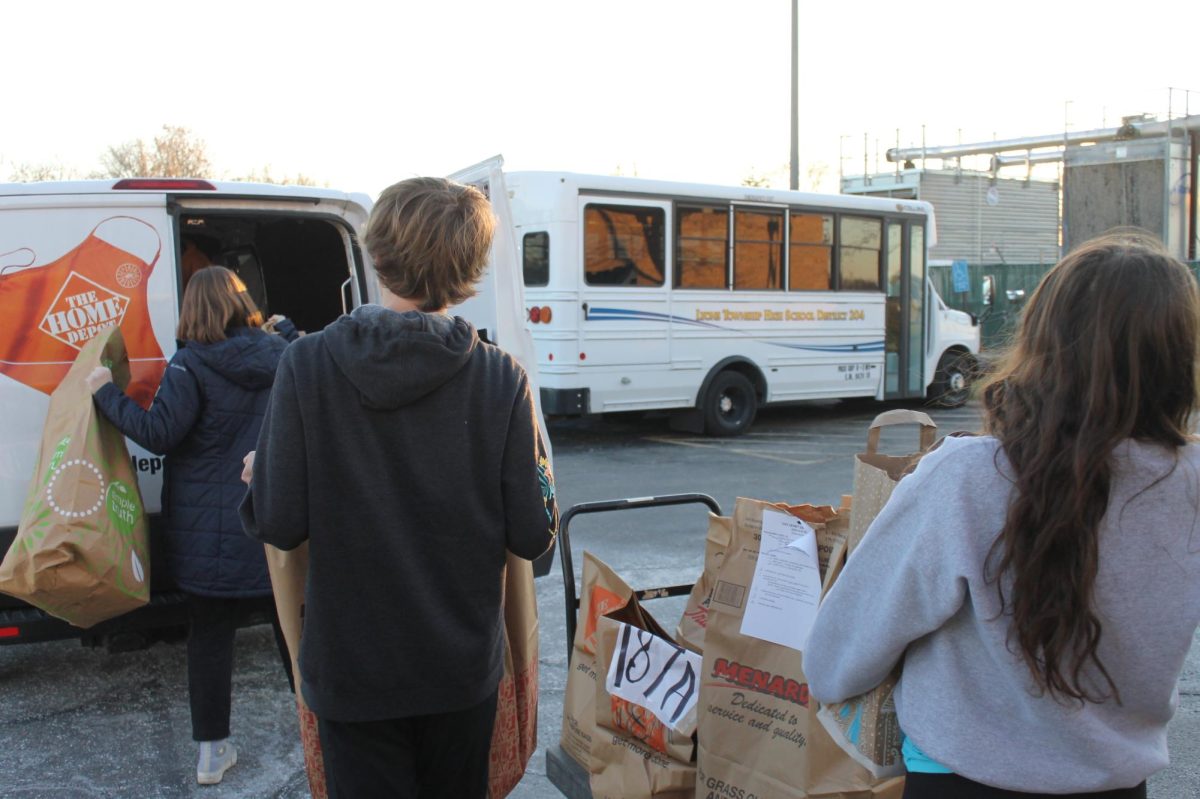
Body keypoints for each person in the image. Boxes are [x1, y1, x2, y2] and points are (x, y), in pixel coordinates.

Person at [805, 232, 1200, 799]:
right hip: (1118, 784)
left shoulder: (967, 475)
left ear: (1042, 340)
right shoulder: (1190, 481)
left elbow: (837, 657)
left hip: (963, 782)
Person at [239, 176, 558, 798]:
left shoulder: (305, 365)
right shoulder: (501, 380)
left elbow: (278, 522)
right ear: (470, 270)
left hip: (352, 674)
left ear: (376, 254)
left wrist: (264, 475)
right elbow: (533, 532)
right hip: (460, 673)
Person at [85, 266, 288, 785]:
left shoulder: (190, 364)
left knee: (211, 640)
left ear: (193, 309)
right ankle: (325, 732)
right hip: (274, 521)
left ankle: (212, 755)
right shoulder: (285, 357)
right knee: (295, 633)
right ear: (245, 304)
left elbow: (159, 433)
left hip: (209, 538)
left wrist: (106, 393)